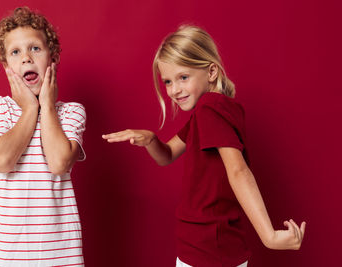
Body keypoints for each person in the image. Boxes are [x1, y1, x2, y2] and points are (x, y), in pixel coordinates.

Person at [102, 25, 306, 267]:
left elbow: (238, 170)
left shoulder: (210, 109)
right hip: (205, 245)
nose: (174, 90)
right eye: (167, 81)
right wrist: (152, 140)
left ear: (211, 72)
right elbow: (167, 155)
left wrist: (268, 235)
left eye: (183, 77)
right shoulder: (206, 113)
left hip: (209, 249)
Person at [0, 7, 86, 266]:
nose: (26, 58)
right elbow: (2, 160)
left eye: (35, 49)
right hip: (3, 256)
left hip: (60, 256)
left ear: (53, 58)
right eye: (16, 52)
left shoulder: (71, 112)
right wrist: (30, 108)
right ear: (6, 66)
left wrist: (46, 107)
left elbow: (59, 163)